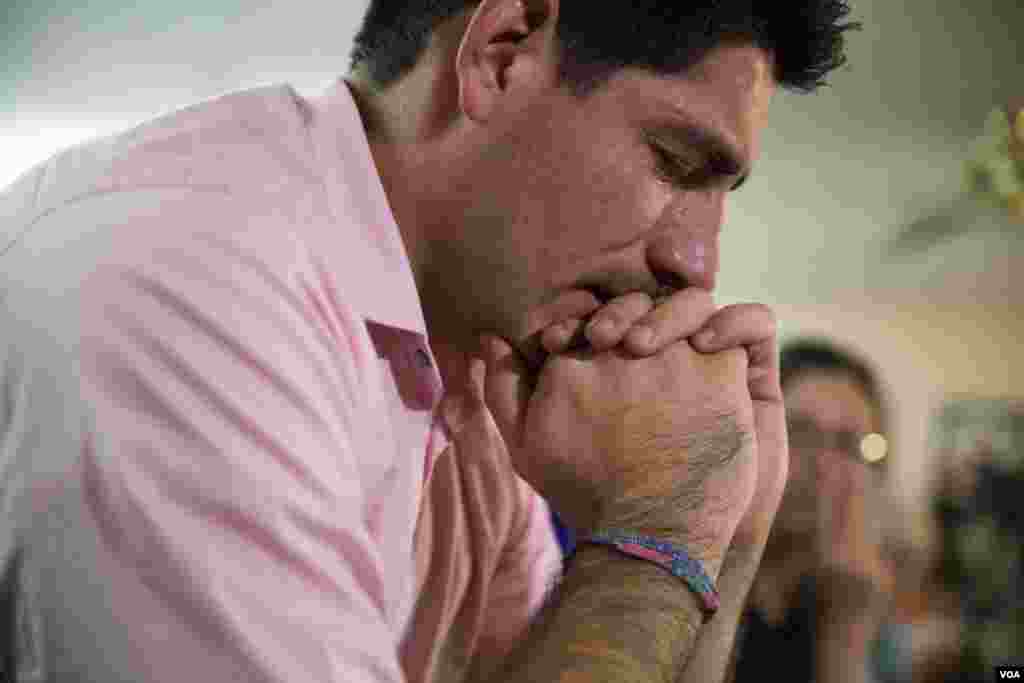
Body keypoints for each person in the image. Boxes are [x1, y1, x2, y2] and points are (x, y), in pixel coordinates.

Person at [0, 1, 858, 681]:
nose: (697, 262)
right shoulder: (194, 286)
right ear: (501, 51)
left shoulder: (467, 358)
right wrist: (659, 531)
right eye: (674, 162)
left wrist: (726, 531)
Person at [732, 338, 908, 683]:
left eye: (847, 443)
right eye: (799, 431)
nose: (824, 466)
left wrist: (846, 632)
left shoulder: (866, 596)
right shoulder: (699, 577)